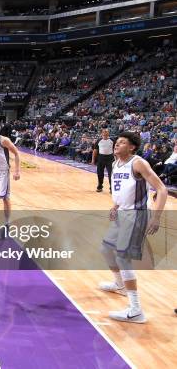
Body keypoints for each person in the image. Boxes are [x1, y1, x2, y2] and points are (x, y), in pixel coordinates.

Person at [98, 132, 167, 323]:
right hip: (122, 213)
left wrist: (156, 216)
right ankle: (119, 284)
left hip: (136, 215)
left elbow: (161, 189)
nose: (117, 145)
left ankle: (136, 310)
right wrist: (115, 206)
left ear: (132, 147)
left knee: (122, 257)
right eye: (116, 142)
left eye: (122, 143)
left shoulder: (138, 163)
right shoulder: (114, 163)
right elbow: (122, 189)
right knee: (105, 249)